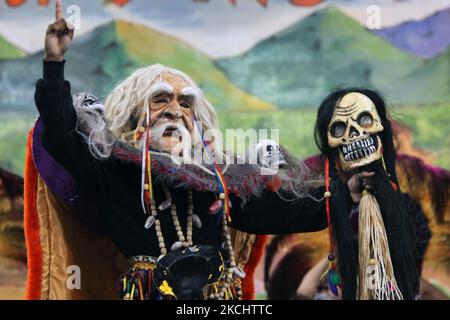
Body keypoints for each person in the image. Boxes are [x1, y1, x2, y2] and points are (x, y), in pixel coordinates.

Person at [26, 0, 327, 300]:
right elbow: (62, 130)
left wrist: (346, 193)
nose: (175, 111)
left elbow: (288, 209)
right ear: (133, 112)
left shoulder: (220, 181)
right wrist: (54, 63)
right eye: (161, 99)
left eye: (185, 103)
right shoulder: (114, 170)